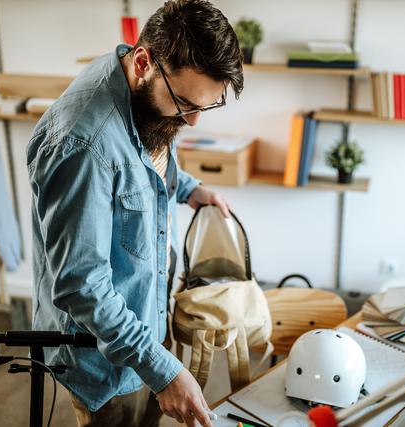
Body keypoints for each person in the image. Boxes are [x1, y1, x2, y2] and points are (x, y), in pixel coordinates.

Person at [26, 1, 243, 426]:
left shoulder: (145, 91)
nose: (194, 121)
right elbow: (80, 286)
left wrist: (188, 188)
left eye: (206, 106)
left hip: (144, 330)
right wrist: (163, 371)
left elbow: (146, 161)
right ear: (143, 61)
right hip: (104, 362)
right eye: (185, 103)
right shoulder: (82, 144)